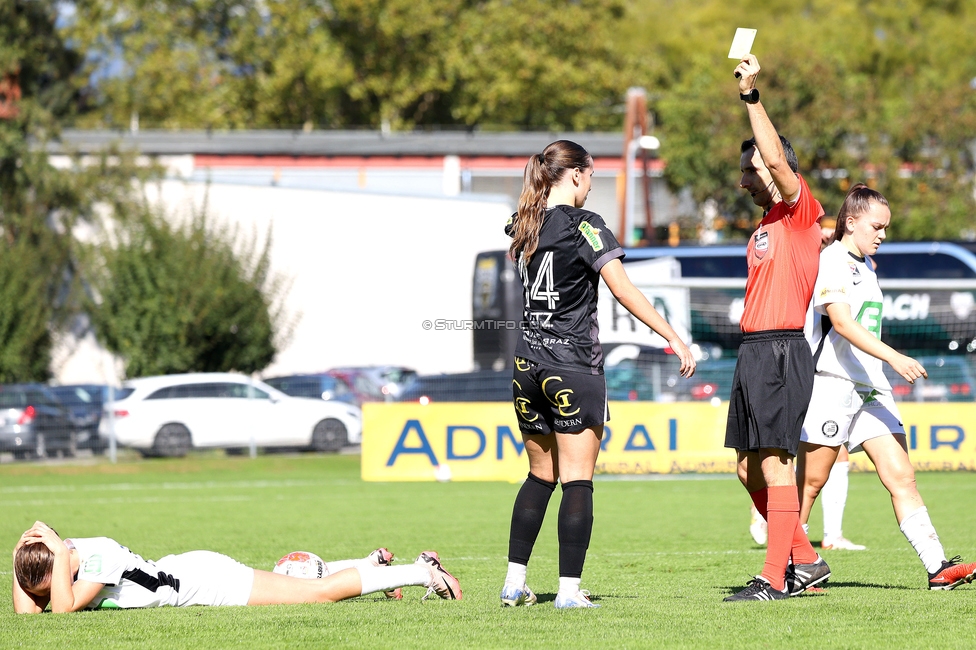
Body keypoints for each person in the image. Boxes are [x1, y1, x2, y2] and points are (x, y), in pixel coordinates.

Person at [501, 140, 695, 609]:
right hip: (571, 366)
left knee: (538, 476)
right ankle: (568, 591)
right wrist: (672, 335)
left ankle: (513, 583)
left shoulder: (523, 225)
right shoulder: (585, 226)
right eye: (591, 177)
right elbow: (623, 289)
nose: (591, 187)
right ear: (575, 175)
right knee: (577, 480)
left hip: (527, 365)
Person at [797, 184, 976, 590]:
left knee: (902, 476)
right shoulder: (833, 261)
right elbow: (840, 323)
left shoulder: (865, 267)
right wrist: (894, 357)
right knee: (810, 483)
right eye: (876, 227)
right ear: (851, 221)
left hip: (870, 386)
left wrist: (884, 365)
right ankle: (793, 562)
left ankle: (937, 567)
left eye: (885, 228)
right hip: (831, 382)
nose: (881, 234)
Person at [723, 54, 829, 602]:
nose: (742, 180)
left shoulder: (798, 209)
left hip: (783, 351)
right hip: (754, 351)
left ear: (772, 167)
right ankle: (806, 560)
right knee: (747, 469)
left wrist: (751, 95)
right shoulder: (767, 225)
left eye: (749, 170)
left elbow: (775, 158)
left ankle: (772, 579)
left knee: (775, 464)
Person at [12, 521, 461, 613]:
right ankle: (369, 566)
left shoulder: (96, 555)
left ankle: (423, 573)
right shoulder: (64, 563)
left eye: (48, 581)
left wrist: (50, 547)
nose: (45, 595)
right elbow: (29, 613)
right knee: (296, 584)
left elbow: (63, 611)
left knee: (315, 594)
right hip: (193, 573)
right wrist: (22, 555)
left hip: (208, 582)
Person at [748, 215, 866, 552]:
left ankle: (829, 534)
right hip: (807, 369)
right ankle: (779, 525)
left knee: (833, 452)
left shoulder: (842, 265)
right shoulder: (815, 265)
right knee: (796, 457)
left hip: (827, 372)